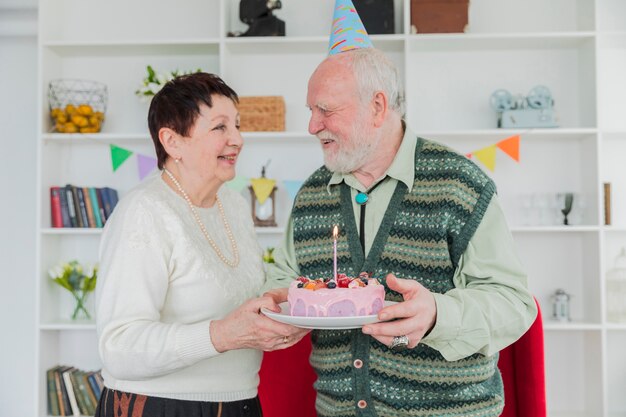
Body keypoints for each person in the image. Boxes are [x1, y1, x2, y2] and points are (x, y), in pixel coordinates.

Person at [264, 46, 538, 416]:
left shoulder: (459, 184)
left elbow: (513, 302)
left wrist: (438, 315)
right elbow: (283, 279)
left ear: (377, 107)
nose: (312, 126)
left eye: (325, 110)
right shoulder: (312, 194)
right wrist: (273, 302)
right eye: (311, 111)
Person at [95, 72, 307, 417]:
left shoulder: (234, 204)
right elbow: (119, 346)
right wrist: (222, 335)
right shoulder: (144, 211)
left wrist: (279, 306)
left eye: (237, 125)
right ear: (172, 141)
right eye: (220, 127)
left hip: (241, 403)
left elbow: (236, 303)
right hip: (162, 408)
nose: (237, 139)